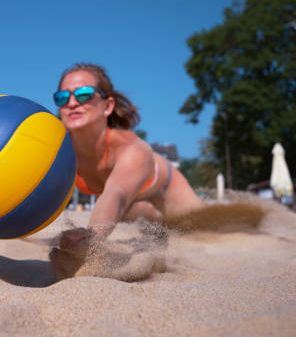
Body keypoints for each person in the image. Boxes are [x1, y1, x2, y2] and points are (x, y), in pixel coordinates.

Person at [53, 63, 204, 240]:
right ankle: (147, 213)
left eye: (83, 94)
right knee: (137, 217)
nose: (71, 103)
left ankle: (148, 212)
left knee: (202, 231)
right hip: (127, 204)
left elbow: (116, 193)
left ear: (108, 106)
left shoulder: (131, 148)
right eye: (62, 97)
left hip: (165, 186)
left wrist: (90, 242)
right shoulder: (58, 149)